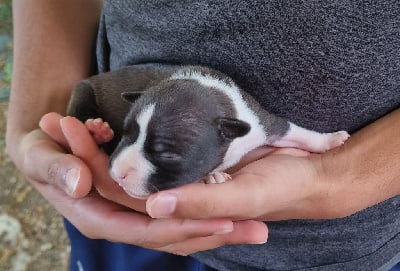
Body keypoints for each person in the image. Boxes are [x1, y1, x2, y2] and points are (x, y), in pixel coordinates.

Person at [5, 1, 400, 270]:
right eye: (131, 137)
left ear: (229, 135)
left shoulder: (248, 123)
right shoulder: (122, 166)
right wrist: (36, 114)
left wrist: (339, 172)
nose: (121, 167)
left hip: (349, 246)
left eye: (164, 150)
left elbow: (282, 131)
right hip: (118, 220)